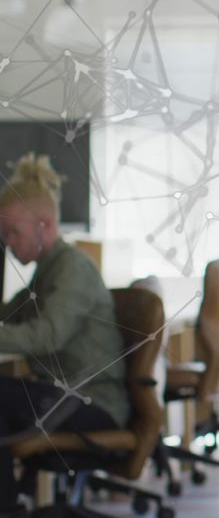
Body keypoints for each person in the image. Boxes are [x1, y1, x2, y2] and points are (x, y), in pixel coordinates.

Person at [0, 155, 128, 515]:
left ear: (45, 225)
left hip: (93, 403)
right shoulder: (47, 271)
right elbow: (10, 316)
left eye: (14, 232)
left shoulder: (72, 269)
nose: (8, 243)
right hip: (68, 395)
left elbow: (46, 337)